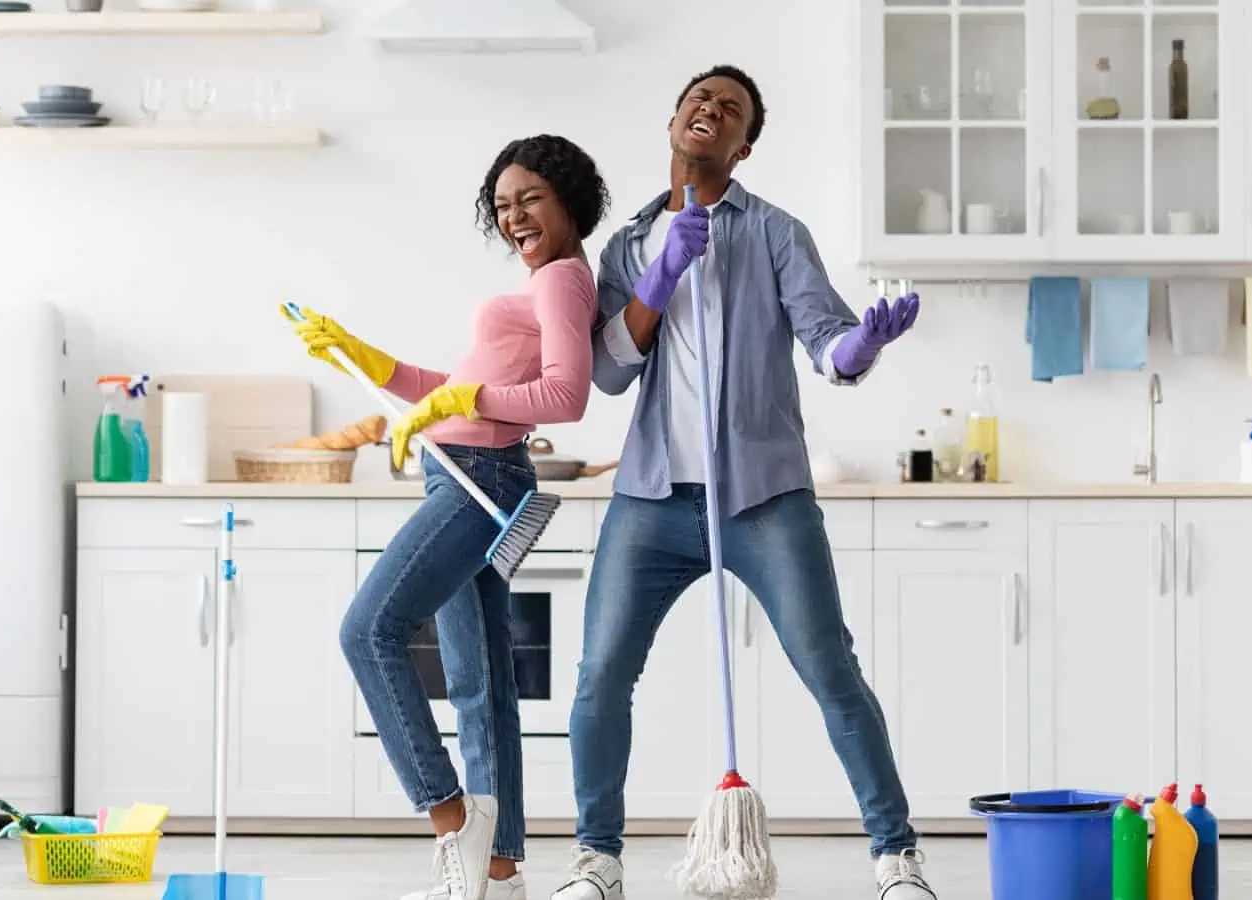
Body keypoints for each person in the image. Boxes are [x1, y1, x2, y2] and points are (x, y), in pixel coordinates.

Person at [550, 66, 933, 900]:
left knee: (832, 669)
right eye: (699, 101)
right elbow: (611, 373)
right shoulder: (627, 245)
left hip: (763, 499)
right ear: (673, 120)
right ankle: (597, 861)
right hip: (652, 499)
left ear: (743, 146)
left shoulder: (775, 234)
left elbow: (827, 341)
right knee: (601, 676)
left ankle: (896, 859)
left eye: (729, 111)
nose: (710, 112)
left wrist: (861, 347)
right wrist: (657, 279)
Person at [290, 134, 609, 900]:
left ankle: (451, 823)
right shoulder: (543, 286)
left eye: (530, 197)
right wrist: (369, 360)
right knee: (481, 679)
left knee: (368, 631)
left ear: (568, 199)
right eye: (502, 206)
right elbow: (459, 384)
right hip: (471, 472)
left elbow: (566, 396)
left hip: (478, 480)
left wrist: (462, 401)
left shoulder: (564, 281)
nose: (515, 217)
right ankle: (497, 872)